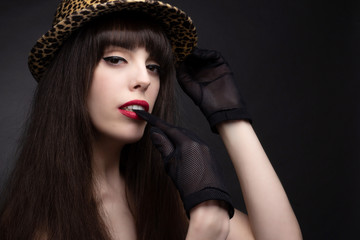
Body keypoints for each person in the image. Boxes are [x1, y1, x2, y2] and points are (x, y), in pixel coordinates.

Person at [0, 0, 302, 239]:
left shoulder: (157, 195)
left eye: (154, 66)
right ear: (70, 78)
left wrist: (231, 119)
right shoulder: (41, 223)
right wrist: (204, 232)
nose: (144, 79)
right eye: (116, 59)